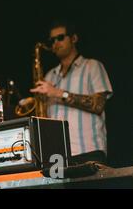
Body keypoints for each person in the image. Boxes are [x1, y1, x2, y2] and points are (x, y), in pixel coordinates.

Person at [30, 19, 113, 164]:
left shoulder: (92, 66)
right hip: (57, 156)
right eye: (52, 40)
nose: (55, 43)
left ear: (74, 38)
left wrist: (59, 93)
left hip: (88, 152)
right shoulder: (49, 76)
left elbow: (98, 105)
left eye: (60, 38)